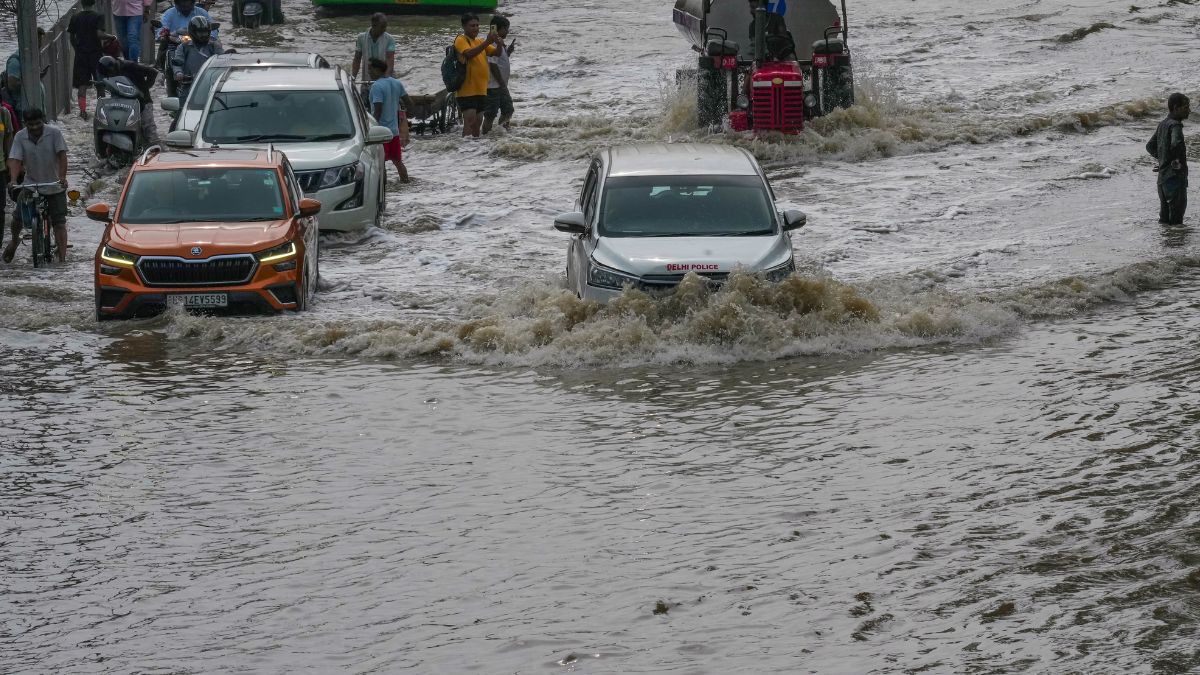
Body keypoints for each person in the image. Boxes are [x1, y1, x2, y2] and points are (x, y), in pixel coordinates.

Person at [5, 109, 68, 264]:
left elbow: (62, 156)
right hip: (30, 184)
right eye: (30, 124)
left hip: (53, 185)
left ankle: (62, 259)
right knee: (17, 217)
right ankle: (14, 241)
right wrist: (13, 180)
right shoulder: (20, 136)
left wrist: (62, 178)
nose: (34, 127)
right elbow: (15, 159)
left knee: (59, 222)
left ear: (43, 121)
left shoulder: (54, 133)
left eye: (37, 123)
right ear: (25, 123)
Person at [454, 13, 502, 138]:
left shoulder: (479, 41)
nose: (475, 28)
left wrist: (499, 43)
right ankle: (464, 151)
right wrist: (487, 42)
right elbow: (468, 54)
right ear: (464, 26)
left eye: (477, 25)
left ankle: (474, 152)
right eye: (472, 26)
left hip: (481, 90)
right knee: (470, 122)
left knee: (477, 124)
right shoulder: (461, 39)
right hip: (466, 90)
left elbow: (496, 53)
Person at [1146, 93, 1190, 225]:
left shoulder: (1163, 124)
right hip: (1175, 179)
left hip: (1162, 180)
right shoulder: (1176, 125)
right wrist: (1175, 162)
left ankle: (1165, 243)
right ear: (1176, 108)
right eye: (1186, 107)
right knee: (1176, 221)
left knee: (1164, 219)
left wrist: (1163, 160)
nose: (1189, 110)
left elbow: (1150, 146)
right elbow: (1176, 144)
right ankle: (1176, 245)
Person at [368, 58, 413, 183]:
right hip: (394, 132)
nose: (369, 71)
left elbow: (378, 110)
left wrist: (371, 129)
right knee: (398, 162)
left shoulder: (376, 86)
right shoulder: (396, 83)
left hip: (381, 133)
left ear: (378, 70)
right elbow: (409, 102)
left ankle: (384, 190)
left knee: (380, 164)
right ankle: (405, 183)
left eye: (370, 68)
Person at [98, 55, 160, 145]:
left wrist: (145, 87)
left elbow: (152, 72)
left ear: (114, 67)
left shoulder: (131, 66)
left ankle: (156, 149)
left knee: (148, 127)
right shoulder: (108, 73)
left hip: (142, 101)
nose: (110, 75)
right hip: (123, 102)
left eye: (110, 73)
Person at [68, 0, 110, 120]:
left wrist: (77, 48)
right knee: (100, 84)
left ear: (81, 3)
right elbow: (99, 34)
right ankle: (100, 111)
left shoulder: (75, 17)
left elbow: (71, 37)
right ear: (94, 3)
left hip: (81, 55)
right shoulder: (98, 16)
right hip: (96, 54)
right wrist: (112, 37)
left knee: (82, 85)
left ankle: (82, 111)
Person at [172, 16, 222, 101]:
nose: (204, 35)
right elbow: (178, 61)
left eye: (206, 32)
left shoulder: (214, 45)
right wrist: (178, 73)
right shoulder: (184, 47)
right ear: (193, 32)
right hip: (189, 85)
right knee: (180, 107)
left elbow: (222, 59)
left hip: (211, 84)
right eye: (200, 32)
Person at [4, 28, 47, 120]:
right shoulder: (15, 61)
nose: (39, 44)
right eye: (37, 41)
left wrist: (38, 77)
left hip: (36, 109)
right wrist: (32, 81)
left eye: (40, 41)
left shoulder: (30, 58)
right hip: (24, 112)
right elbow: (12, 84)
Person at [482, 14, 515, 134]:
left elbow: (499, 61)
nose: (507, 31)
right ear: (498, 29)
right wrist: (501, 82)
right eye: (506, 28)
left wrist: (508, 52)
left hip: (500, 85)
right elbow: (492, 64)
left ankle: (503, 132)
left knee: (508, 110)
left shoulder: (498, 42)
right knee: (490, 115)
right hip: (494, 86)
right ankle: (484, 138)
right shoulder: (492, 42)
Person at [352, 13, 395, 82]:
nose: (385, 29)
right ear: (374, 25)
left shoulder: (390, 39)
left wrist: (385, 81)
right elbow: (357, 59)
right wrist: (353, 78)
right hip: (366, 78)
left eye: (385, 26)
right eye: (383, 27)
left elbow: (390, 61)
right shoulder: (361, 38)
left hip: (384, 76)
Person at [0, 102, 12, 253]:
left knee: (0, 209)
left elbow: (9, 136)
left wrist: (10, 161)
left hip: (1, 168)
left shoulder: (4, 114)